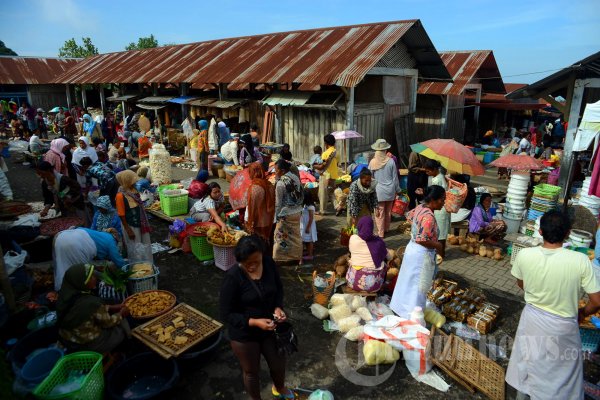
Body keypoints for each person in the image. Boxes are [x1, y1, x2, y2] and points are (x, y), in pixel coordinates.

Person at [506, 211, 600, 399]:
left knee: (527, 363)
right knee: (560, 373)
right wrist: (582, 312)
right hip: (563, 325)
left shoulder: (525, 254)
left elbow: (521, 283)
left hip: (532, 318)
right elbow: (597, 301)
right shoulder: (579, 260)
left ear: (540, 232)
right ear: (567, 234)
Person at [219, 236, 294, 400]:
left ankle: (279, 388)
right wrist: (253, 322)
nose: (252, 266)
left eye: (256, 261)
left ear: (262, 255)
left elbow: (278, 289)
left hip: (269, 328)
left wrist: (278, 307)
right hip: (244, 335)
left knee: (278, 363)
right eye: (247, 262)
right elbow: (226, 313)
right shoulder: (232, 278)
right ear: (239, 260)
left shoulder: (269, 264)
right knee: (251, 371)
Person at [390, 185, 445, 319]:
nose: (443, 202)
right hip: (421, 253)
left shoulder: (421, 207)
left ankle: (399, 308)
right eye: (441, 200)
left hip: (412, 249)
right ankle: (413, 316)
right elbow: (422, 239)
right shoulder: (429, 217)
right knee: (418, 286)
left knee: (407, 281)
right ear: (433, 199)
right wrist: (438, 245)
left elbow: (408, 216)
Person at [57, 264, 130, 353]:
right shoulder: (91, 303)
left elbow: (88, 311)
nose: (95, 278)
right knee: (123, 325)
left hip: (68, 341)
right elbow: (108, 323)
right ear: (82, 282)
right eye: (91, 277)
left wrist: (110, 307)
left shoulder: (64, 295)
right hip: (87, 345)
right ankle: (127, 345)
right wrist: (121, 314)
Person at [53, 227, 125, 291]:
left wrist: (95, 267)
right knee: (81, 273)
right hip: (74, 244)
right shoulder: (111, 241)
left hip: (61, 236)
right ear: (116, 238)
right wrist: (128, 269)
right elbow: (119, 262)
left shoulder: (98, 234)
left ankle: (62, 288)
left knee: (63, 265)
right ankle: (79, 292)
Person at [346, 216, 391, 293]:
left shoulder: (353, 238)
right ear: (371, 227)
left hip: (352, 282)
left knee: (351, 259)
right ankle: (381, 282)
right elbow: (389, 257)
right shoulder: (378, 242)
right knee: (384, 263)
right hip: (373, 286)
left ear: (359, 226)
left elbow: (351, 251)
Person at [115, 170, 153, 263]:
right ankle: (138, 268)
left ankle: (148, 265)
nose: (135, 182)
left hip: (141, 223)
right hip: (131, 225)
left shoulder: (134, 190)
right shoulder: (120, 196)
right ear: (127, 181)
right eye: (133, 181)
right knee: (135, 248)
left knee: (145, 245)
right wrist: (128, 230)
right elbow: (121, 214)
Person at [273, 159, 303, 264]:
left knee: (279, 236)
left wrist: (276, 217)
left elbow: (278, 203)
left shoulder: (280, 183)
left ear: (282, 171)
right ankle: (298, 258)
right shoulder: (295, 177)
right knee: (296, 236)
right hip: (297, 212)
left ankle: (277, 258)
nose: (274, 172)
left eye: (276, 170)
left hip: (286, 214)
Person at [369, 139, 400, 238]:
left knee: (379, 212)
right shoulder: (391, 161)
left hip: (379, 192)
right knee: (388, 211)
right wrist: (398, 190)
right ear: (385, 150)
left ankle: (380, 233)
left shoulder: (373, 162)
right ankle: (386, 229)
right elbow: (395, 178)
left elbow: (370, 178)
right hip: (390, 191)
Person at [423, 159, 450, 258]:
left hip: (440, 209)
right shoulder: (440, 176)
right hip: (441, 208)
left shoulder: (437, 179)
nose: (427, 173)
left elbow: (433, 195)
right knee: (441, 233)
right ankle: (441, 253)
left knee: (441, 234)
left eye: (428, 171)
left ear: (434, 169)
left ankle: (441, 255)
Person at [245, 162, 275, 244]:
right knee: (268, 245)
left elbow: (252, 207)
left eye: (250, 172)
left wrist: (249, 221)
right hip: (270, 220)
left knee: (258, 246)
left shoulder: (254, 187)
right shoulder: (270, 185)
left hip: (258, 222)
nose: (249, 175)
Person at [314, 134, 338, 214]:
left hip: (325, 175)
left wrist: (314, 166)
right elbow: (337, 163)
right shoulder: (335, 152)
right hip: (334, 175)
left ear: (326, 143)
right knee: (331, 192)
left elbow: (322, 166)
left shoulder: (325, 153)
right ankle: (338, 206)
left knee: (322, 193)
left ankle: (322, 210)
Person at [299, 189, 317, 264]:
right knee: (305, 239)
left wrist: (308, 227)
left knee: (309, 240)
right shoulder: (305, 205)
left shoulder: (310, 207)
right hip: (304, 224)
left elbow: (311, 218)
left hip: (308, 225)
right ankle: (308, 252)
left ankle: (310, 254)